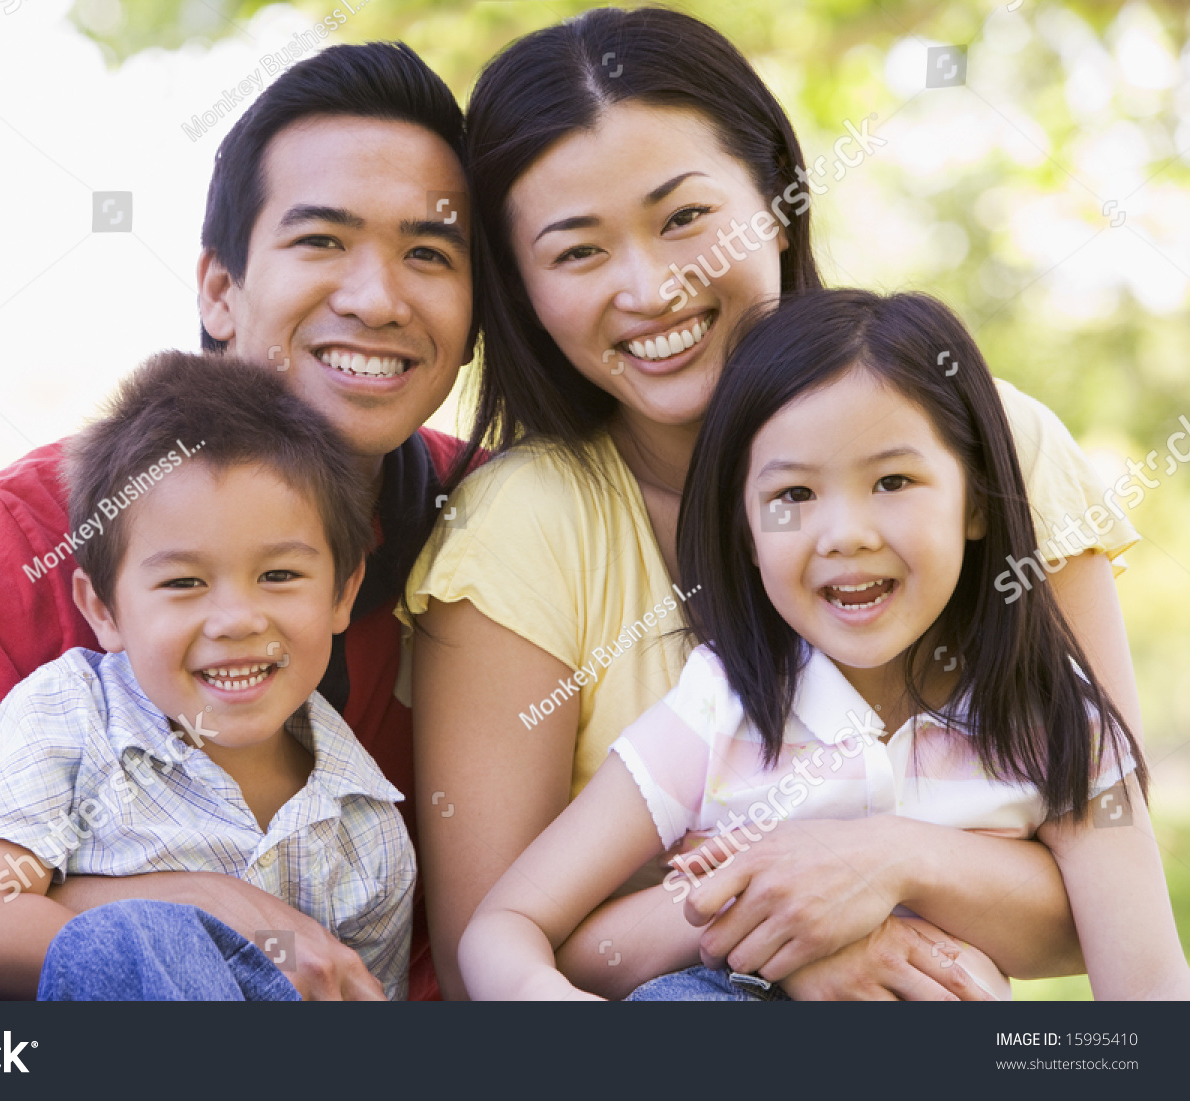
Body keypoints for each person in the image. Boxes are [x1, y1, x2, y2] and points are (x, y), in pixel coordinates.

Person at [0, 40, 473, 1002]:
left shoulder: (491, 528)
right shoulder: (26, 532)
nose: (377, 297)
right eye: (321, 241)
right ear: (220, 292)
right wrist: (190, 906)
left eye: (428, 253)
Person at [408, 8, 1145, 1000]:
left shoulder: (991, 444)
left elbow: (1099, 895)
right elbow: (485, 961)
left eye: (685, 219)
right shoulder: (521, 532)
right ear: (523, 290)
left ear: (780, 205)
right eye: (578, 252)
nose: (653, 286)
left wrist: (885, 861)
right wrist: (788, 918)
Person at [458, 289, 1189, 1002]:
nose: (845, 532)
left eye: (893, 480)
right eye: (794, 496)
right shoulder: (722, 711)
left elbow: (1150, 984)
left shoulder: (1059, 724)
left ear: (974, 500)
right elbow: (508, 924)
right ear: (744, 533)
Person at [0, 353, 411, 1001]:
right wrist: (189, 922)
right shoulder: (68, 718)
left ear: (342, 591)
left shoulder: (367, 829)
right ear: (103, 609)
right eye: (185, 582)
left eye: (278, 575)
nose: (238, 619)